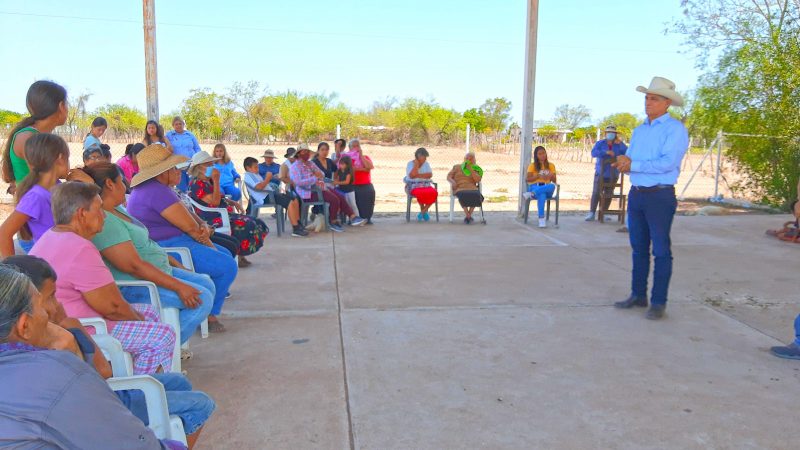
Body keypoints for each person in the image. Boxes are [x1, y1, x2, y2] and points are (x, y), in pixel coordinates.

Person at [3, 254, 215, 449]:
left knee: (179, 382)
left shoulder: (50, 341)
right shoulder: (54, 367)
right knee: (201, 403)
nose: (57, 306)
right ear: (24, 325)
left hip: (95, 399)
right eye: (46, 301)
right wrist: (70, 353)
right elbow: (102, 391)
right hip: (102, 403)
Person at [29, 182, 176, 374]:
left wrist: (139, 318)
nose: (104, 215)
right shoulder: (79, 248)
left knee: (150, 313)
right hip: (87, 327)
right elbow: (113, 308)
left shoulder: (51, 236)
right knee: (163, 336)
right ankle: (138, 391)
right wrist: (138, 321)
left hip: (69, 320)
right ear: (82, 214)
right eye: (99, 209)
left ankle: (135, 370)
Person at [84, 162, 214, 345]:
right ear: (109, 184)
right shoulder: (106, 222)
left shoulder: (117, 209)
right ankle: (166, 349)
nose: (125, 185)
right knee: (203, 299)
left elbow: (147, 245)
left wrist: (177, 266)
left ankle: (169, 345)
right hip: (137, 286)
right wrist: (179, 286)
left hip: (157, 272)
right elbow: (134, 267)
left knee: (206, 283)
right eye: (121, 181)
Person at [127, 144, 238, 333]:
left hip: (175, 241)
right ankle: (208, 315)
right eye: (173, 167)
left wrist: (202, 227)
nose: (177, 171)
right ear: (162, 172)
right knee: (227, 266)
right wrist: (206, 237)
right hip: (170, 246)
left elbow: (190, 217)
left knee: (226, 253)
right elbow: (192, 229)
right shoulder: (156, 191)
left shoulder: (157, 188)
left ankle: (208, 310)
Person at [612, 76, 689, 320]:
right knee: (638, 248)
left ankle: (658, 301)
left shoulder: (675, 129)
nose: (648, 103)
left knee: (661, 250)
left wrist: (633, 164)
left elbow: (668, 163)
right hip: (638, 194)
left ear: (667, 103)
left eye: (653, 99)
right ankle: (638, 294)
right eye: (647, 98)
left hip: (660, 195)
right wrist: (624, 163)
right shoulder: (639, 130)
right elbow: (631, 159)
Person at [188, 151, 268, 267]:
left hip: (220, 213)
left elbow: (219, 197)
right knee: (248, 224)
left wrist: (232, 202)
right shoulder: (197, 184)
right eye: (209, 165)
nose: (212, 167)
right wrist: (216, 180)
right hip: (211, 218)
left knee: (257, 222)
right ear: (200, 167)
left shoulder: (206, 180)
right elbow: (214, 203)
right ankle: (238, 255)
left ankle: (240, 254)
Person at [0, 134, 71, 256]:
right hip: (50, 264)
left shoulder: (60, 187)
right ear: (60, 158)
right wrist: (12, 270)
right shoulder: (35, 196)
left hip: (65, 257)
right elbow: (4, 233)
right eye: (68, 158)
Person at [2, 80, 68, 196]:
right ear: (61, 106)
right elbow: (58, 172)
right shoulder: (28, 137)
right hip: (34, 210)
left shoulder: (33, 135)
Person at [290, 143, 365, 232]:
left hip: (320, 187)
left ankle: (353, 217)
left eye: (307, 152)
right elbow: (299, 182)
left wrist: (317, 176)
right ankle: (333, 221)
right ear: (298, 154)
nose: (306, 154)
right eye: (303, 152)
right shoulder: (295, 167)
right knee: (334, 199)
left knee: (340, 196)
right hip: (308, 193)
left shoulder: (310, 164)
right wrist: (314, 177)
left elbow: (321, 174)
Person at [243, 156, 307, 237]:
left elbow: (262, 184)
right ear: (248, 168)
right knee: (289, 202)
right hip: (265, 197)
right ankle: (296, 229)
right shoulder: (249, 175)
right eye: (255, 167)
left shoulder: (254, 174)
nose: (257, 169)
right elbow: (259, 187)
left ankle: (298, 224)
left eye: (257, 167)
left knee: (294, 199)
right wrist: (267, 179)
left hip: (270, 194)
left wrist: (271, 177)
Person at [586, 125, 628, 221]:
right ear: (605, 134)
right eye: (609, 133)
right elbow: (594, 153)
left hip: (614, 174)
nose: (610, 134)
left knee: (609, 193)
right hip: (600, 172)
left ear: (615, 134)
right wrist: (606, 152)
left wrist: (620, 144)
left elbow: (627, 153)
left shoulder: (619, 144)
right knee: (596, 192)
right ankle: (592, 213)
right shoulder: (600, 143)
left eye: (613, 133)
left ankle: (604, 212)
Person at [340, 139, 376, 223]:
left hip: (366, 183)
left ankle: (367, 218)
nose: (356, 148)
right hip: (352, 184)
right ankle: (354, 218)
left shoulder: (365, 157)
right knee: (354, 197)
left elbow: (370, 167)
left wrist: (361, 156)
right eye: (354, 146)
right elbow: (349, 169)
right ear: (349, 148)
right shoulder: (347, 158)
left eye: (358, 146)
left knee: (370, 193)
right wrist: (364, 169)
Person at [524, 146, 558, 228]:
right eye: (540, 154)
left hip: (547, 188)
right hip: (535, 186)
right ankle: (541, 220)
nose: (542, 155)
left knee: (552, 186)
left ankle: (531, 194)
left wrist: (550, 175)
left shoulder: (551, 165)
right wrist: (538, 176)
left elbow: (554, 180)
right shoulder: (532, 165)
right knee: (542, 195)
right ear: (536, 156)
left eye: (544, 153)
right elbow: (528, 179)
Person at [166, 116, 202, 192]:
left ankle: (193, 202)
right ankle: (183, 203)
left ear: (183, 125)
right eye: (176, 124)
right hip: (178, 165)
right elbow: (164, 144)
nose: (178, 126)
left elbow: (197, 148)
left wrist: (197, 160)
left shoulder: (190, 135)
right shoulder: (169, 135)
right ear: (173, 126)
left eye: (180, 124)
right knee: (181, 187)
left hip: (191, 164)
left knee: (193, 186)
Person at [447, 152, 483, 224]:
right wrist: (453, 182)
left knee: (477, 196)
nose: (468, 160)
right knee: (463, 195)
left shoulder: (476, 168)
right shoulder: (457, 167)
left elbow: (478, 180)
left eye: (470, 159)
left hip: (472, 188)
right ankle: (468, 216)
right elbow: (449, 177)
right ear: (464, 159)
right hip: (460, 188)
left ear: (474, 160)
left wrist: (471, 170)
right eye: (466, 158)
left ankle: (468, 216)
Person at [405, 147, 437, 221]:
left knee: (434, 193)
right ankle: (424, 212)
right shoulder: (410, 164)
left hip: (426, 185)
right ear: (418, 157)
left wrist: (418, 175)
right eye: (424, 157)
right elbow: (412, 176)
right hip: (413, 186)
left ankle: (423, 212)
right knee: (421, 193)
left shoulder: (426, 164)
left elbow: (430, 175)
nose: (425, 159)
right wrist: (416, 165)